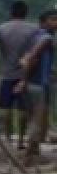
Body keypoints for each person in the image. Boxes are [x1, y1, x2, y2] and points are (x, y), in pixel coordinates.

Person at [0, 0, 37, 149]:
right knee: (23, 108)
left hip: (7, 72)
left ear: (11, 12)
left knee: (5, 107)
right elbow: (33, 52)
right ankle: (20, 140)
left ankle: (8, 138)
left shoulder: (1, 29)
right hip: (25, 73)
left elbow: (1, 50)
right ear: (26, 13)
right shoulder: (33, 30)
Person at [15, 9, 57, 159]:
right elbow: (31, 58)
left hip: (32, 83)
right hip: (38, 84)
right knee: (36, 120)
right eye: (53, 20)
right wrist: (23, 80)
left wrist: (23, 79)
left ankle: (34, 150)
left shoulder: (35, 36)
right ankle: (29, 153)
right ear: (43, 22)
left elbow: (25, 58)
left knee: (33, 117)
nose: (55, 23)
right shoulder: (46, 39)